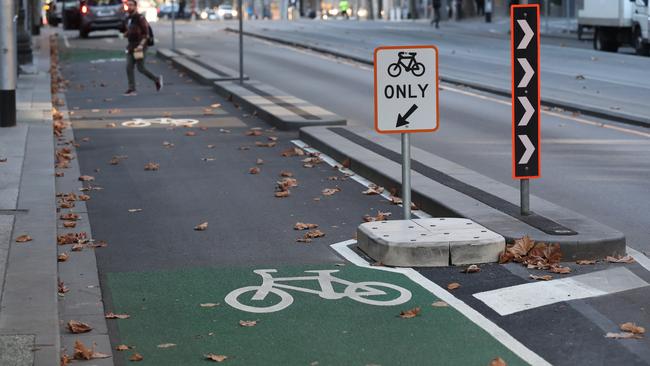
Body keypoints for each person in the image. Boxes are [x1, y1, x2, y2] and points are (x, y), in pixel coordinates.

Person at [123, 0, 162, 96]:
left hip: (140, 47)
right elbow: (129, 30)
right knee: (128, 67)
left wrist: (141, 45)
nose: (129, 7)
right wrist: (127, 33)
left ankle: (157, 79)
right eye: (128, 5)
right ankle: (132, 89)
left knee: (141, 68)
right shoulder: (128, 18)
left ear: (136, 7)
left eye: (131, 5)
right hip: (131, 46)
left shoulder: (140, 18)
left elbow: (146, 34)